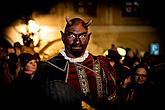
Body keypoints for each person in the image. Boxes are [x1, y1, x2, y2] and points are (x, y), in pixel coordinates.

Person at [34, 17, 118, 110]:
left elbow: (112, 101)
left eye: (82, 36)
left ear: (88, 37)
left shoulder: (102, 65)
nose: (77, 41)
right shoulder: (48, 68)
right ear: (63, 37)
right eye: (72, 36)